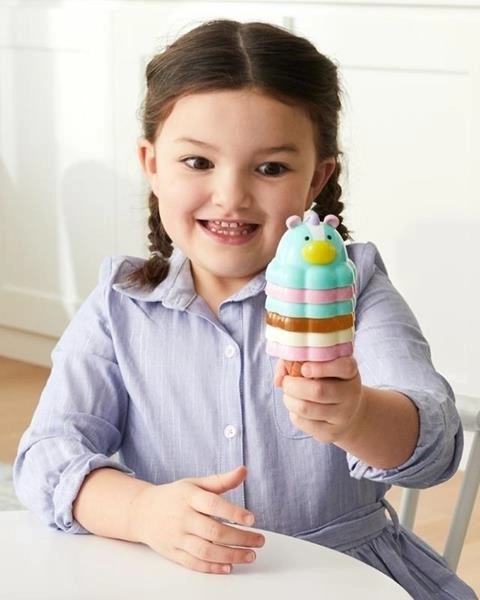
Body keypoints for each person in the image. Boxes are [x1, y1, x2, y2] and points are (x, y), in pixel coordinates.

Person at [14, 19, 476, 599]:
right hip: (177, 578)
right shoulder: (119, 303)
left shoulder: (356, 287)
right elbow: (46, 457)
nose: (231, 195)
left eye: (271, 168)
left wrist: (357, 415)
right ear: (151, 163)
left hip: (343, 580)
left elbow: (435, 448)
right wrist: (139, 511)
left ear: (318, 176)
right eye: (198, 162)